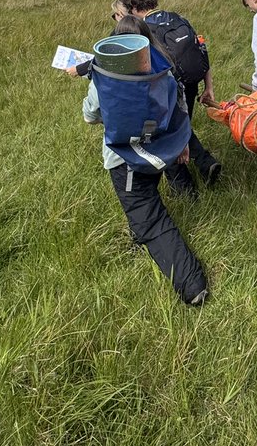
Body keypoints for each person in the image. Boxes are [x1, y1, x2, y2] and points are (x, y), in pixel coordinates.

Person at [82, 15, 208, 305]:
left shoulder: (107, 78)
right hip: (159, 152)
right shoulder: (162, 69)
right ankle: (141, 237)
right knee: (144, 203)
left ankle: (192, 285)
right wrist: (182, 147)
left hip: (123, 159)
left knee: (148, 216)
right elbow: (178, 111)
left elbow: (90, 116)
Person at [121, 0, 222, 185]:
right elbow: (202, 50)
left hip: (169, 90)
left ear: (132, 8)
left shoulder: (144, 30)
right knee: (183, 126)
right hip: (191, 83)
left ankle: (187, 183)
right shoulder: (177, 18)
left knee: (170, 134)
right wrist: (208, 87)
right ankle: (203, 163)